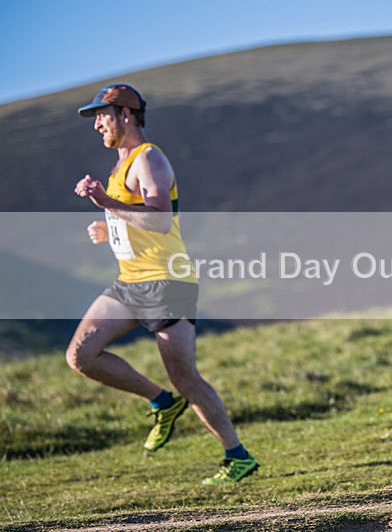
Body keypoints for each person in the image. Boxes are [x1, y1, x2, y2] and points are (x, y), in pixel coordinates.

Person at [67, 84, 258, 485]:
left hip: (167, 282)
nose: (97, 125)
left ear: (126, 115)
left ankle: (237, 456)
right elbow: (136, 218)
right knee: (81, 356)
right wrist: (109, 228)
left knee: (186, 379)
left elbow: (159, 219)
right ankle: (160, 401)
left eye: (102, 116)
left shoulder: (149, 158)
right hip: (130, 283)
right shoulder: (120, 167)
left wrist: (106, 203)